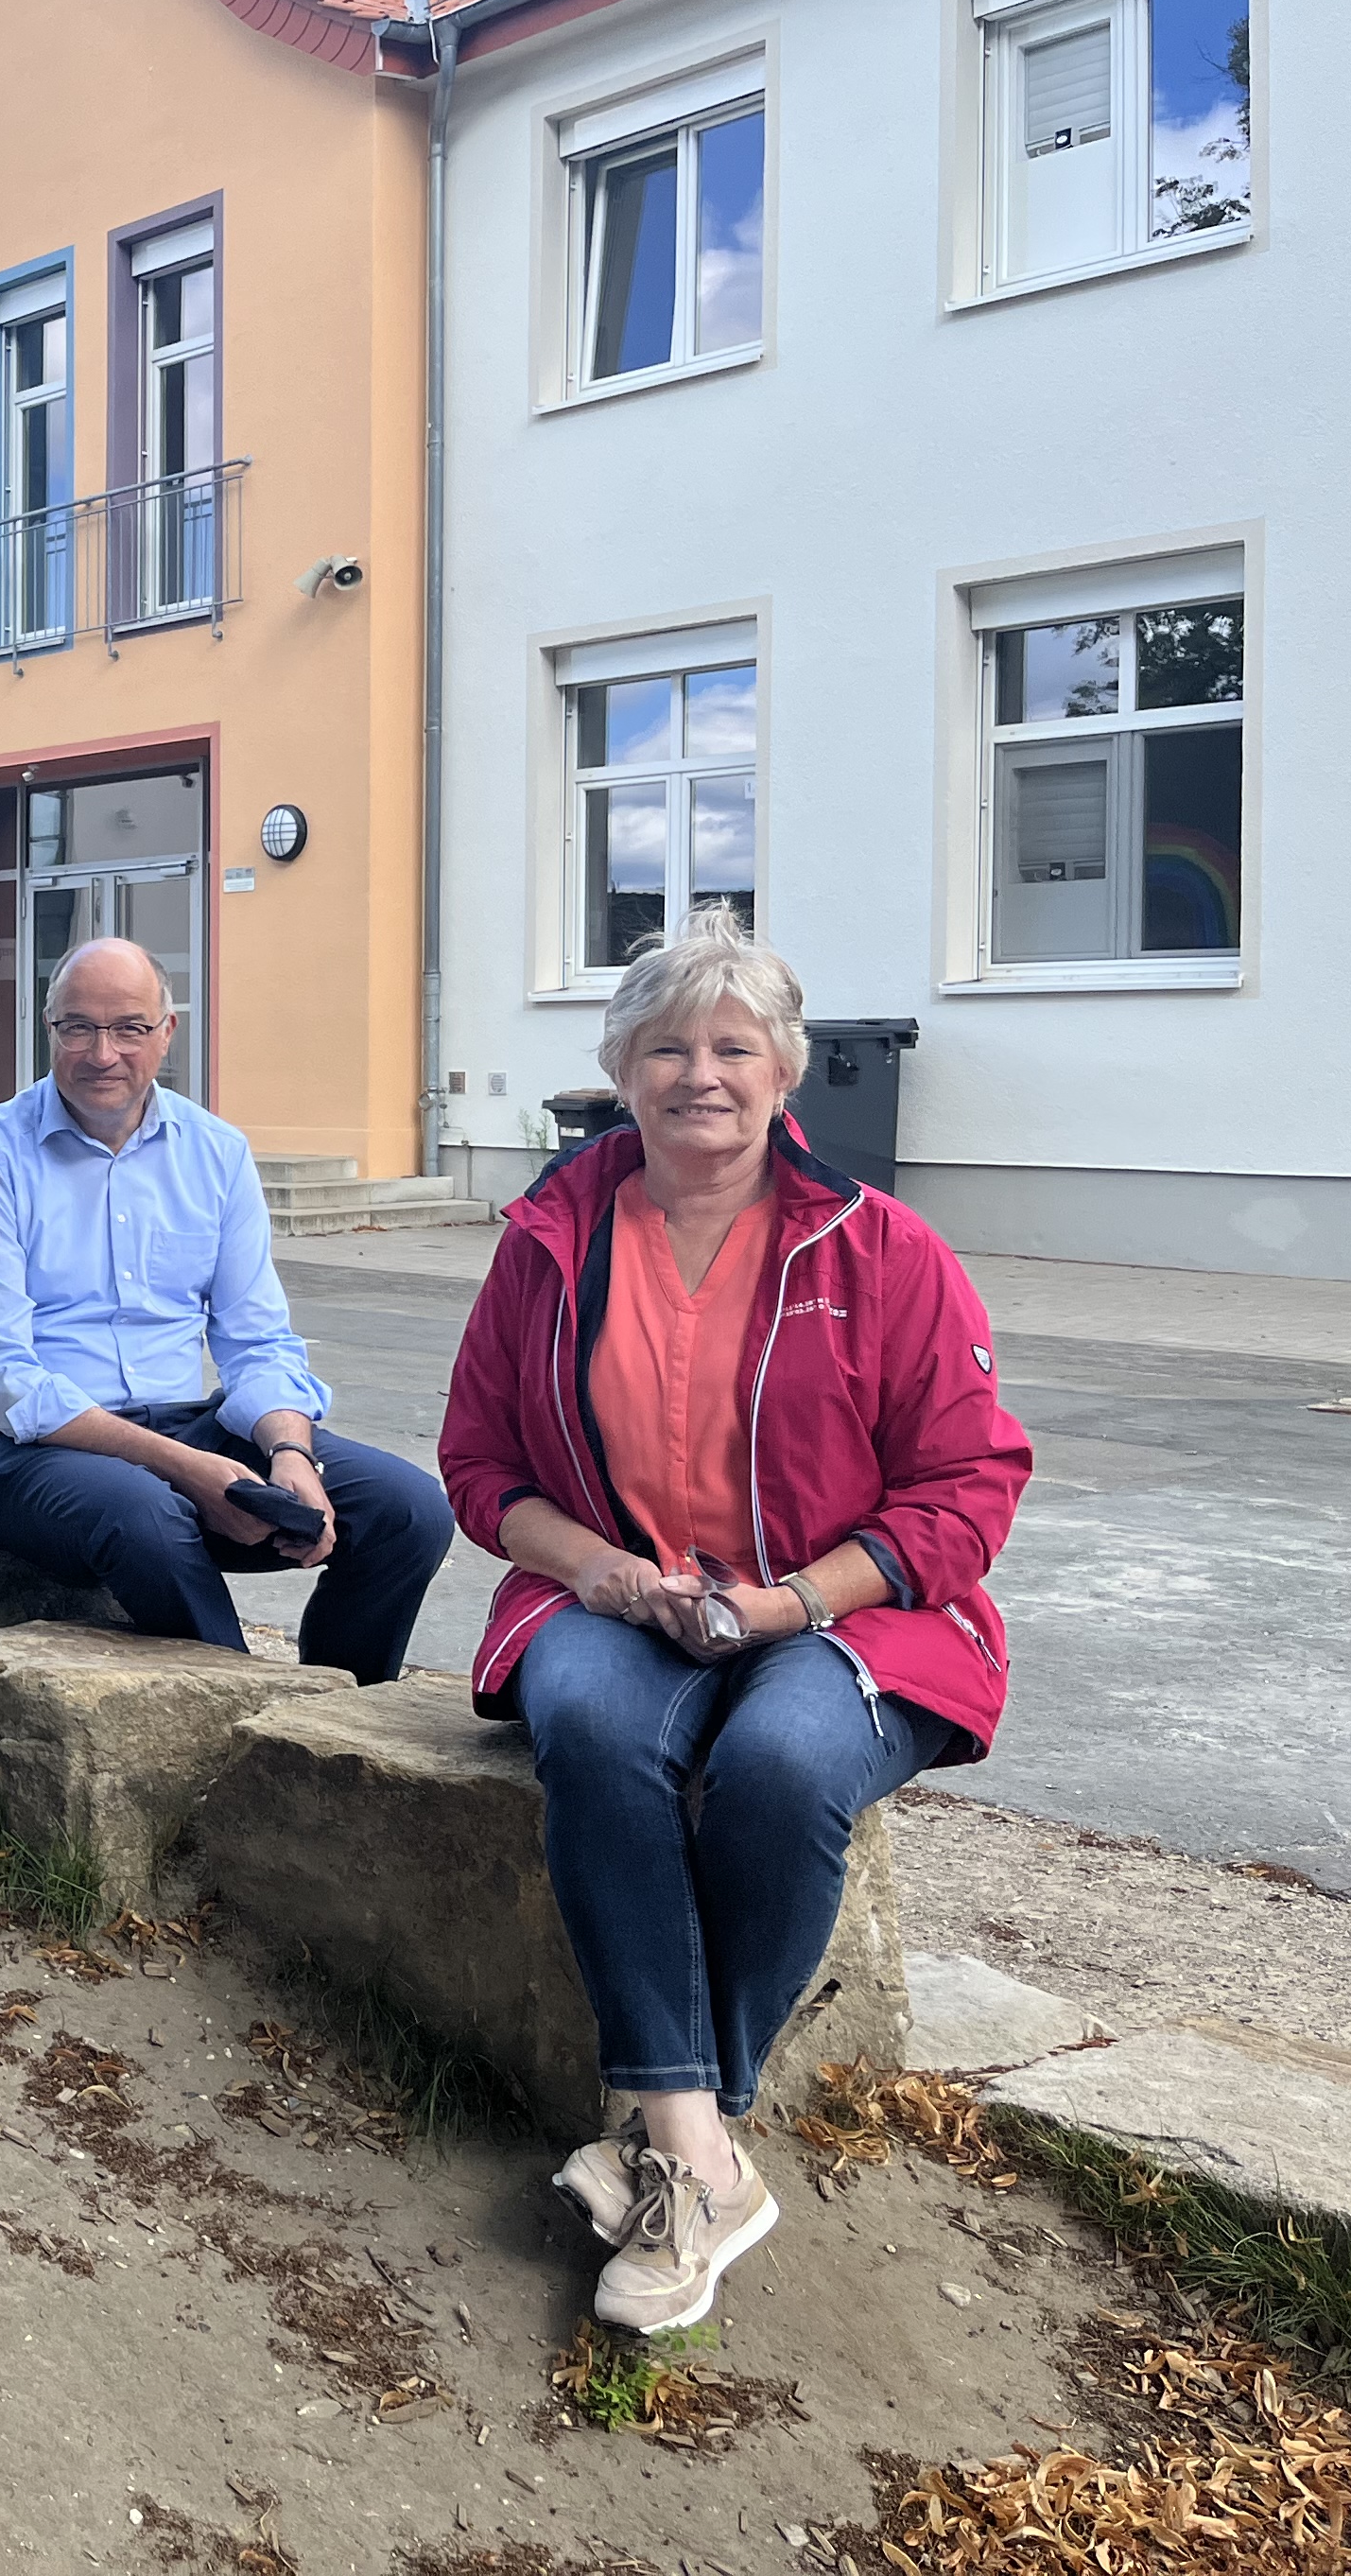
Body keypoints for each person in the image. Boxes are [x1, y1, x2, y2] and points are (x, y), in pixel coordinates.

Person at [439, 907, 1030, 2333]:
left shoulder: (882, 1252)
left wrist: (792, 1602)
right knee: (587, 1722)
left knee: (779, 1767)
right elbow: (479, 1466)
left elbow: (971, 1487)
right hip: (613, 1594)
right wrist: (595, 1574)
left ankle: (666, 2133)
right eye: (665, 1047)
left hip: (842, 1613)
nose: (698, 1073)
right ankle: (701, 2155)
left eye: (731, 1045)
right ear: (621, 1071)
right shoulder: (549, 1243)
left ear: (785, 1072)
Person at [0, 935, 453, 1684]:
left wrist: (288, 1453)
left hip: (182, 1423)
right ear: (48, 1031)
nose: (102, 1052)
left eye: (129, 1028)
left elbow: (257, 1339)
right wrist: (191, 1473)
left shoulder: (215, 1153)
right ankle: (246, 1723)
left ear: (167, 1031)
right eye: (77, 1026)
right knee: (148, 1513)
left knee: (409, 1511)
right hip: (17, 1454)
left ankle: (340, 1713)